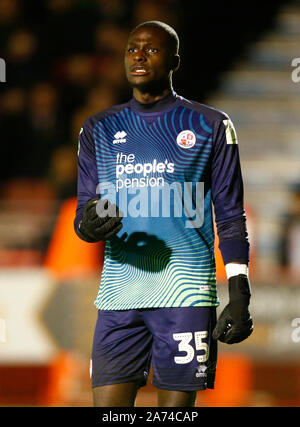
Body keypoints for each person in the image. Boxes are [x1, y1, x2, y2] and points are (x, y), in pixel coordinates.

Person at [74, 21, 253, 407]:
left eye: (151, 49)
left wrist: (239, 292)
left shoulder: (210, 125)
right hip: (118, 298)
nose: (139, 55)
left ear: (174, 60)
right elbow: (84, 214)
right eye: (132, 48)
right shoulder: (97, 129)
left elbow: (230, 214)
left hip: (185, 297)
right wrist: (87, 225)